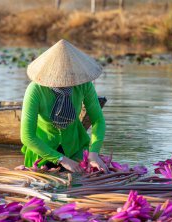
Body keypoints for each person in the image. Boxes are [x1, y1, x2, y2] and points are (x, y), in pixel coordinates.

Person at [20, 39, 107, 173]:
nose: (65, 81)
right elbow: (27, 136)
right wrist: (62, 160)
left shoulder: (83, 84)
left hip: (75, 149)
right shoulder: (35, 90)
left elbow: (98, 120)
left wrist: (94, 153)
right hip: (42, 153)